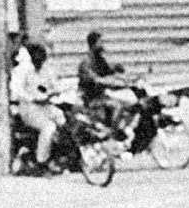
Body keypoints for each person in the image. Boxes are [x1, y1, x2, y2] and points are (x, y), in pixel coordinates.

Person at [10, 40, 65, 172]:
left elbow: (55, 85)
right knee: (49, 128)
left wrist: (55, 91)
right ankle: (42, 161)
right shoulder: (21, 70)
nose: (39, 61)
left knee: (63, 120)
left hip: (45, 106)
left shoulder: (45, 69)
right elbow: (17, 91)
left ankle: (62, 156)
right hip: (29, 109)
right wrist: (34, 99)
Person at [77, 29, 138, 131]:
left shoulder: (99, 59)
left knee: (131, 100)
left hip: (102, 94)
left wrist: (125, 77)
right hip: (92, 98)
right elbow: (96, 80)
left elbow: (110, 71)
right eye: (100, 42)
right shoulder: (86, 62)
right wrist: (112, 81)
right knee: (118, 105)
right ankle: (113, 133)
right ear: (94, 44)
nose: (103, 45)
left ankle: (124, 128)